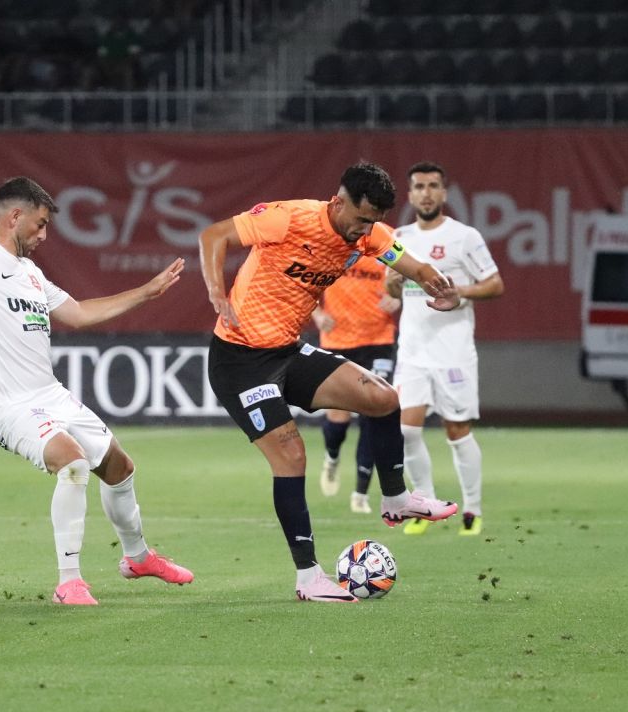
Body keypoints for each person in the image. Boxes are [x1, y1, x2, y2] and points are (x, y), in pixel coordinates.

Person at [0, 177, 193, 606]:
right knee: (73, 464)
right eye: (41, 224)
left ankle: (139, 558)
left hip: (51, 395)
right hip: (10, 406)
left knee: (119, 467)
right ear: (15, 216)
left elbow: (80, 313)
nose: (44, 235)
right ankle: (70, 582)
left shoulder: (30, 274)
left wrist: (147, 292)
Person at [198, 162, 459, 604]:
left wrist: (440, 288)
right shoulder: (287, 218)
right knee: (291, 453)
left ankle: (395, 498)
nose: (365, 230)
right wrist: (217, 291)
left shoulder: (370, 234)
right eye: (360, 218)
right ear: (338, 202)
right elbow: (213, 236)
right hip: (239, 360)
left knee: (382, 398)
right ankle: (308, 577)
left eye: (373, 221)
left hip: (284, 351)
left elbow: (410, 264)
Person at [387, 161, 504, 538]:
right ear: (409, 194)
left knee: (456, 429)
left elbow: (495, 284)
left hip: (453, 352)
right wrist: (391, 283)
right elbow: (393, 291)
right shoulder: (399, 235)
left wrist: (461, 292)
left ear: (444, 192)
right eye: (419, 186)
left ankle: (472, 508)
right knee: (405, 430)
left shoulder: (464, 237)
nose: (426, 193)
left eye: (433, 186)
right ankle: (424, 504)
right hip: (413, 353)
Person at [312, 256, 400, 514]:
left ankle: (360, 493)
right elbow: (302, 283)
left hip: (378, 341)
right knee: (337, 422)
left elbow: (408, 277)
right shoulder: (332, 242)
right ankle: (332, 457)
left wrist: (399, 296)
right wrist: (316, 313)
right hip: (337, 341)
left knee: (373, 415)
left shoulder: (387, 243)